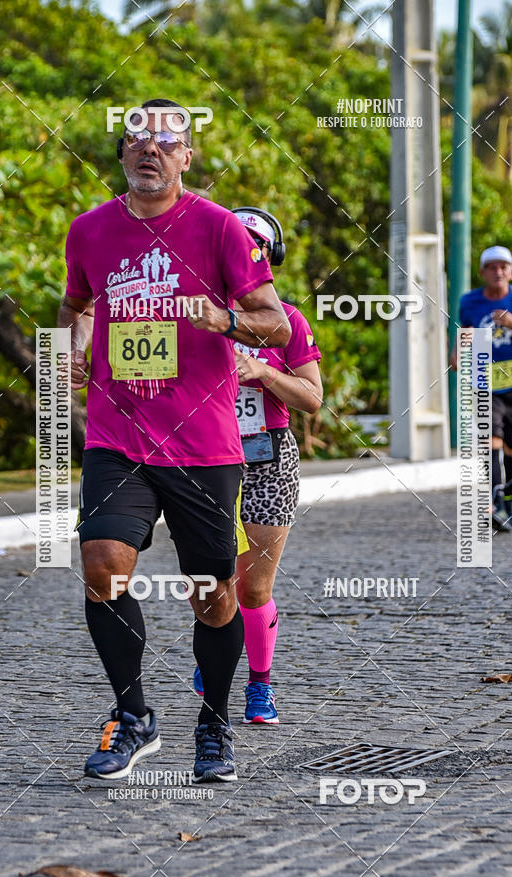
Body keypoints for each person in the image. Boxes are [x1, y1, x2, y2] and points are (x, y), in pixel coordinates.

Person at [58, 99, 290, 783]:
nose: (150, 149)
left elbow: (273, 323)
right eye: (137, 137)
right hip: (118, 434)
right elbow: (76, 303)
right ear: (122, 152)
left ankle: (214, 724)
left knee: (213, 593)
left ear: (187, 156)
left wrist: (222, 316)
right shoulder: (89, 232)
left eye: (167, 140)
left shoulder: (220, 229)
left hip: (204, 445)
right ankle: (132, 716)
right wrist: (73, 344)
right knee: (102, 563)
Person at [193, 207, 323, 723]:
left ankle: (259, 684)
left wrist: (263, 374)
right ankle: (214, 654)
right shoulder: (197, 317)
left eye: (258, 246)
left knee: (252, 585)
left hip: (268, 457)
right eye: (238, 242)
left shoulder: (287, 322)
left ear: (270, 259)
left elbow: (312, 398)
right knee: (210, 579)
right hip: (204, 460)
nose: (247, 252)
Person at [451, 246, 512, 531]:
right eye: (491, 267)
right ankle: (493, 503)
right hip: (484, 385)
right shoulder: (470, 302)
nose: (498, 272)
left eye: (503, 266)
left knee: (511, 448)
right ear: (482, 272)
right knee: (490, 440)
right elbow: (462, 340)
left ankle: (508, 496)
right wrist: (457, 355)